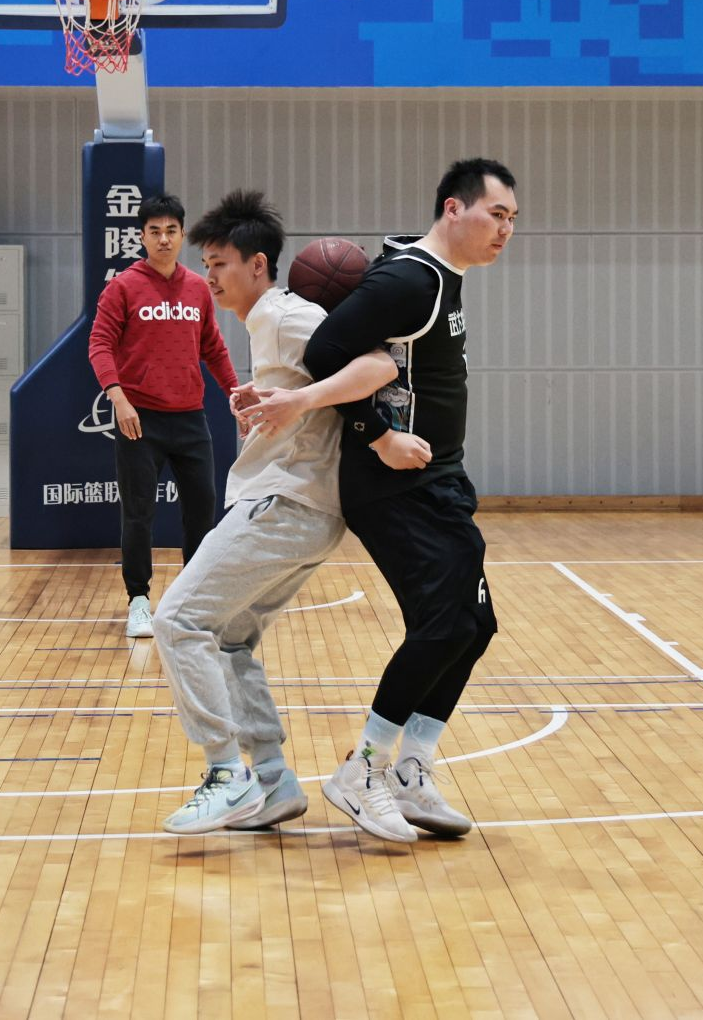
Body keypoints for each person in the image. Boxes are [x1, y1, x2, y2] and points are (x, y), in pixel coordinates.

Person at [240, 158, 518, 842]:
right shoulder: (410, 280)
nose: (505, 229)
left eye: (513, 218)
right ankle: (362, 769)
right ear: (453, 208)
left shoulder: (438, 277)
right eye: (496, 214)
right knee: (446, 625)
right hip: (397, 486)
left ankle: (412, 769)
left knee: (473, 625)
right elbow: (328, 349)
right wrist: (380, 435)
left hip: (438, 481)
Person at [148, 191, 398, 834]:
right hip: (307, 511)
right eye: (206, 264)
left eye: (220, 264)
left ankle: (225, 775)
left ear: (258, 265)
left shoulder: (285, 316)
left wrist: (306, 403)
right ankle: (272, 779)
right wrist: (275, 397)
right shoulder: (270, 323)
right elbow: (322, 387)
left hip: (285, 503)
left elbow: (378, 364)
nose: (210, 276)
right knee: (230, 640)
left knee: (177, 620)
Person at [88, 192, 238, 638]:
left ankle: (192, 602)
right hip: (141, 421)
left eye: (171, 230)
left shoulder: (197, 288)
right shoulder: (122, 287)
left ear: (183, 234)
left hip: (190, 418)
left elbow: (213, 347)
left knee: (202, 513)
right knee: (138, 514)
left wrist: (236, 394)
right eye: (154, 231)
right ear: (142, 237)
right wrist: (118, 398)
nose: (164, 239)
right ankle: (138, 601)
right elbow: (99, 344)